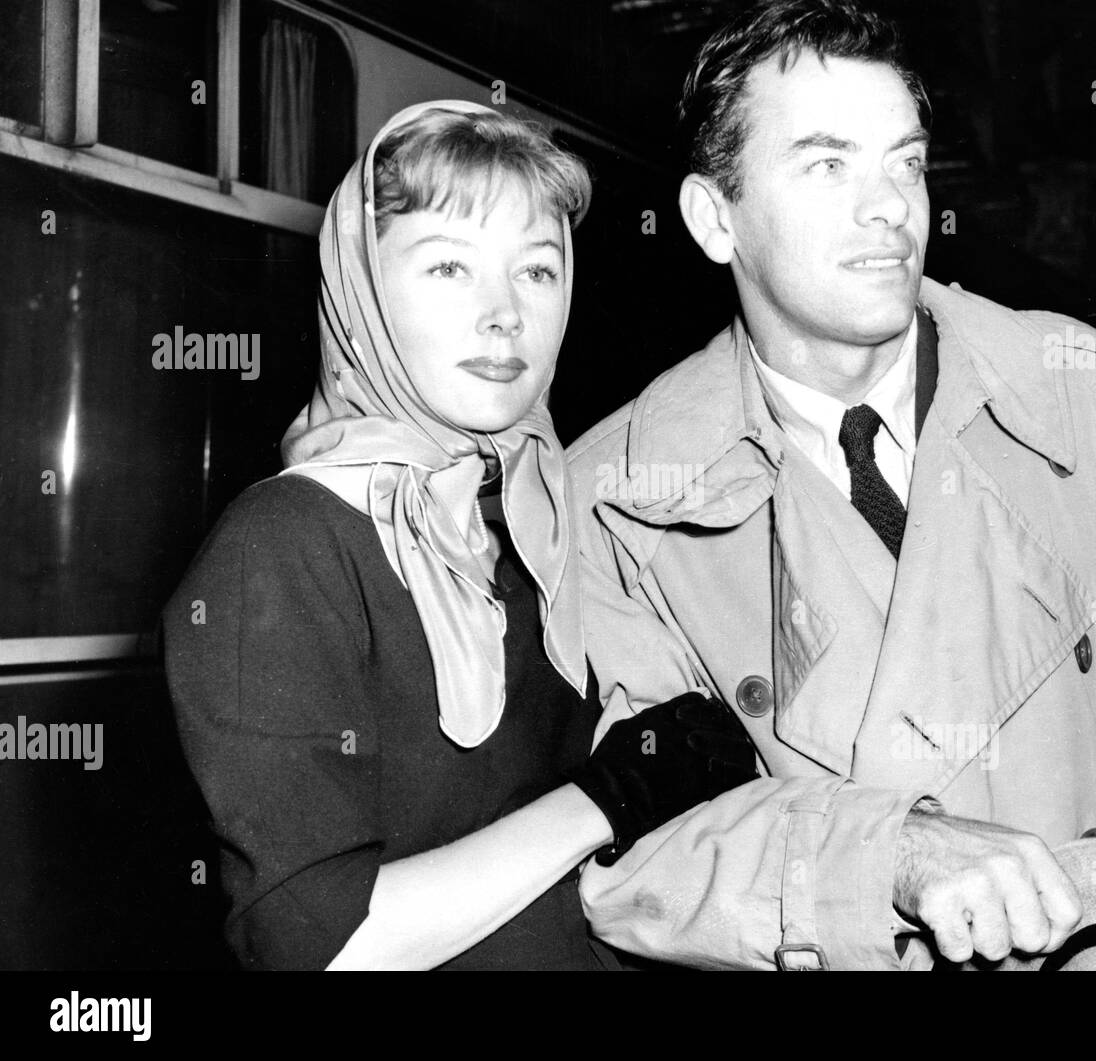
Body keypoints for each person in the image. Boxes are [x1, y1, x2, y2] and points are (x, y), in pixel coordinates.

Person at [566, 0, 1096, 970]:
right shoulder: (618, 499)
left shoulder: (1084, 399)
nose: (890, 208)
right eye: (828, 164)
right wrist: (892, 853)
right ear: (713, 218)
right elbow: (643, 845)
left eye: (904, 161)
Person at [163, 100, 756, 971]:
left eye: (538, 272)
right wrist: (606, 799)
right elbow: (319, 945)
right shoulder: (284, 547)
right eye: (448, 267)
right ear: (362, 290)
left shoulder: (542, 513)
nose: (503, 314)